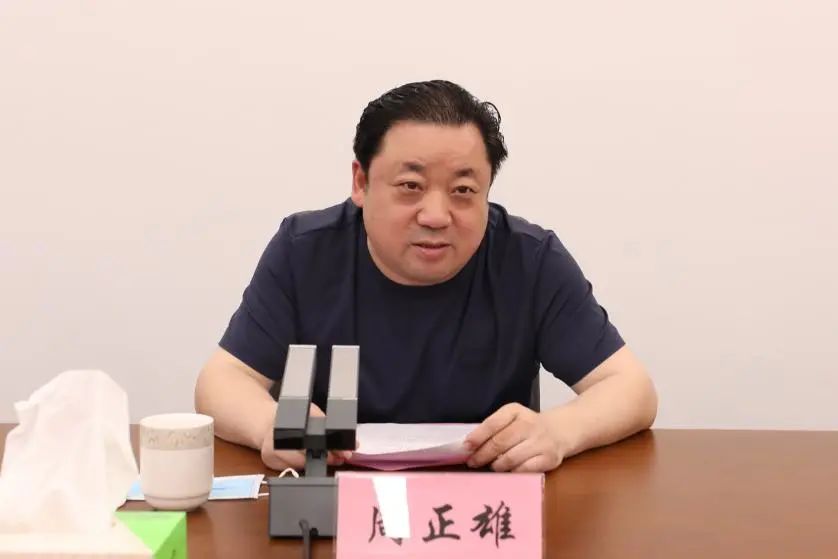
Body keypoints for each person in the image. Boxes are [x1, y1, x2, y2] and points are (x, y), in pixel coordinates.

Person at [195, 80, 657, 474]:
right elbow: (223, 380)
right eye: (410, 186)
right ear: (361, 182)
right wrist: (269, 424)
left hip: (485, 503)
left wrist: (558, 431)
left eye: (463, 190)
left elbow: (631, 389)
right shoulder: (305, 251)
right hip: (334, 498)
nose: (436, 215)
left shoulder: (529, 260)